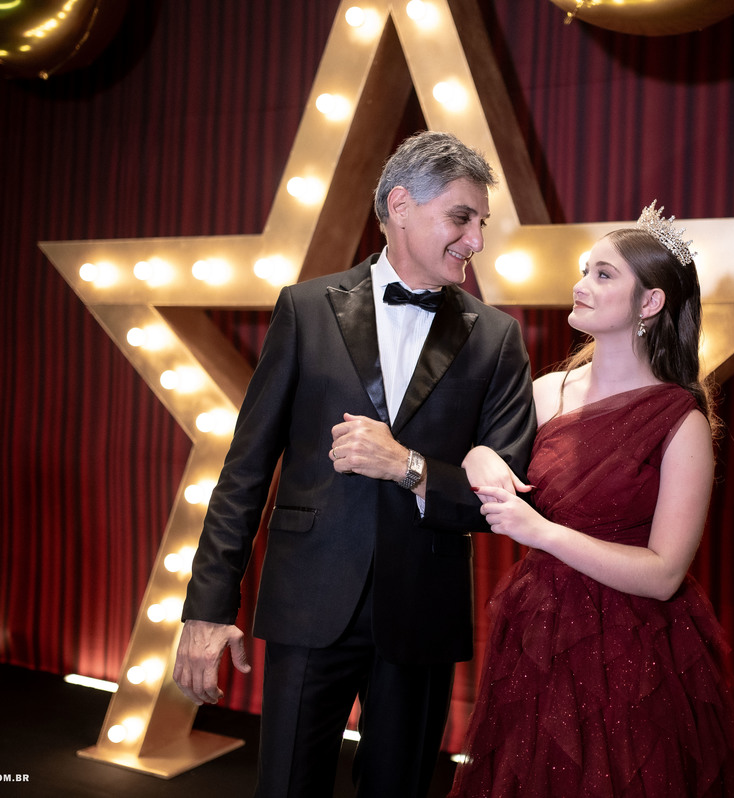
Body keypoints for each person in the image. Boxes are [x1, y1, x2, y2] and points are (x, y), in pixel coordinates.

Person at [171, 130, 537, 798]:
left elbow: (509, 498)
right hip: (307, 599)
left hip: (422, 612)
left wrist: (409, 466)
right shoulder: (304, 309)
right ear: (401, 205)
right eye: (462, 218)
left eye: (481, 223)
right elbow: (245, 471)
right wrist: (207, 608)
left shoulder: (497, 338)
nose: (476, 240)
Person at [449, 203, 734, 797]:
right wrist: (478, 454)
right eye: (584, 270)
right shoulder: (548, 391)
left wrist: (540, 532)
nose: (580, 285)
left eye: (603, 274)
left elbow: (664, 575)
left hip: (634, 648)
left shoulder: (682, 421)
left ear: (650, 303)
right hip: (538, 633)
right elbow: (474, 454)